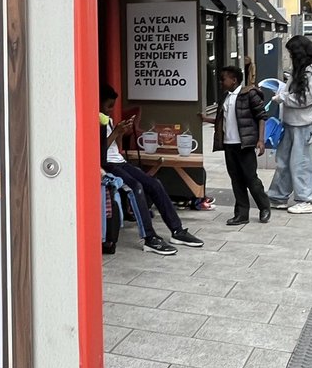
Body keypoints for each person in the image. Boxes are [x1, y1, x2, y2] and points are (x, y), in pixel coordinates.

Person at [100, 83, 204, 250]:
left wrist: (121, 132)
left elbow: (115, 148)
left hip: (119, 161)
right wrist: (116, 133)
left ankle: (177, 230)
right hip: (107, 165)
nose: (111, 110)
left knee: (154, 183)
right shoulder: (95, 121)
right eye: (108, 106)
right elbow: (98, 152)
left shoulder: (109, 120)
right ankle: (149, 237)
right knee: (136, 187)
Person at [266, 35, 312, 215]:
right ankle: (278, 196)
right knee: (284, 161)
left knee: (300, 162)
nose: (290, 56)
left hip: (304, 122)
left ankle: (306, 199)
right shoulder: (303, 70)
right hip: (293, 121)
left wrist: (283, 98)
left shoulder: (311, 71)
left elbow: (308, 97)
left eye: (291, 53)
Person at [203, 65, 271, 225]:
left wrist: (260, 140)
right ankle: (241, 214)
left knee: (251, 179)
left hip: (244, 145)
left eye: (223, 79)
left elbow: (261, 116)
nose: (220, 82)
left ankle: (264, 207)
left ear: (234, 80)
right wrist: (206, 120)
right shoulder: (225, 97)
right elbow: (223, 120)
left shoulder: (249, 94)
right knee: (236, 180)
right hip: (229, 145)